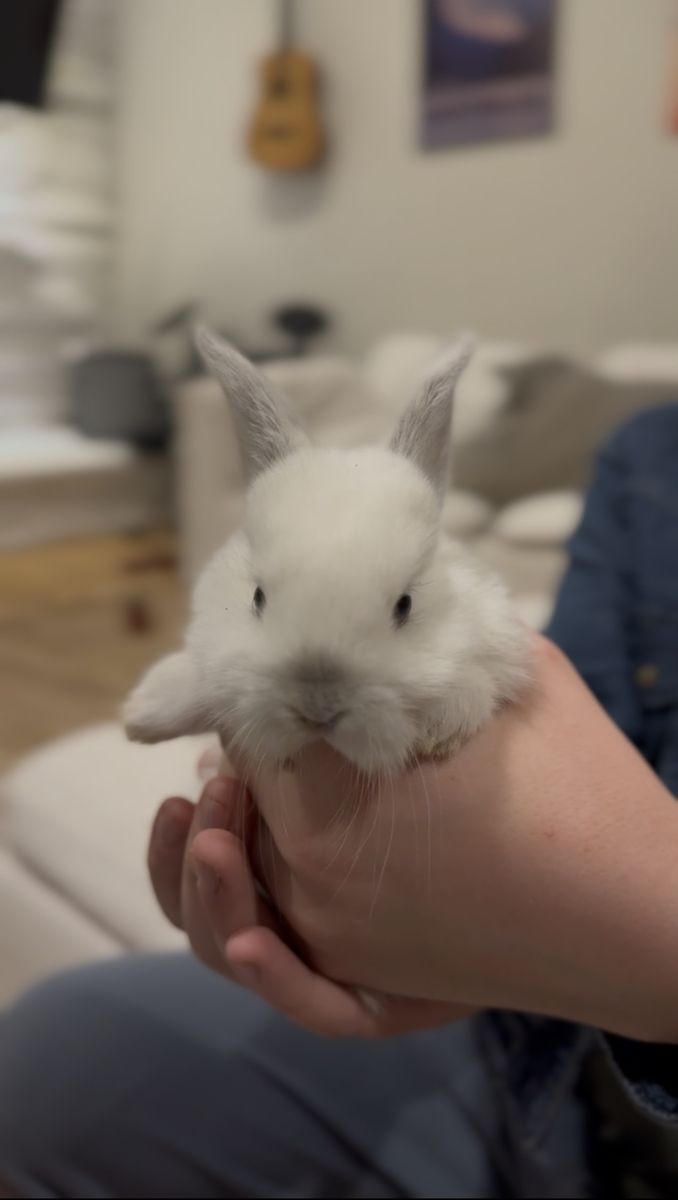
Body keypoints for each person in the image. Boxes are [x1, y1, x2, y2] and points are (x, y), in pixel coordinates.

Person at [1, 406, 677, 1199]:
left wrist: (643, 952)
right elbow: (575, 735)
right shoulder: (649, 454)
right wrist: (473, 961)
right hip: (536, 1040)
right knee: (56, 1053)